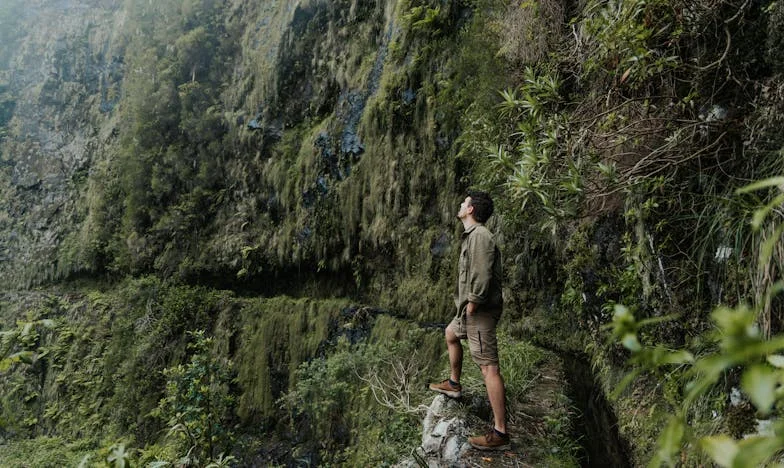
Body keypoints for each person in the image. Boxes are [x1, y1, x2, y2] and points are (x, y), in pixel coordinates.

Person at [429, 190, 509, 451]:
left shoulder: (481, 237)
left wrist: (474, 303)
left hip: (479, 311)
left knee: (489, 368)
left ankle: (500, 433)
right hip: (467, 310)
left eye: (464, 203)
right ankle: (453, 384)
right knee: (450, 334)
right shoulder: (471, 237)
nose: (461, 205)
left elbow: (483, 274)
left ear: (471, 209)